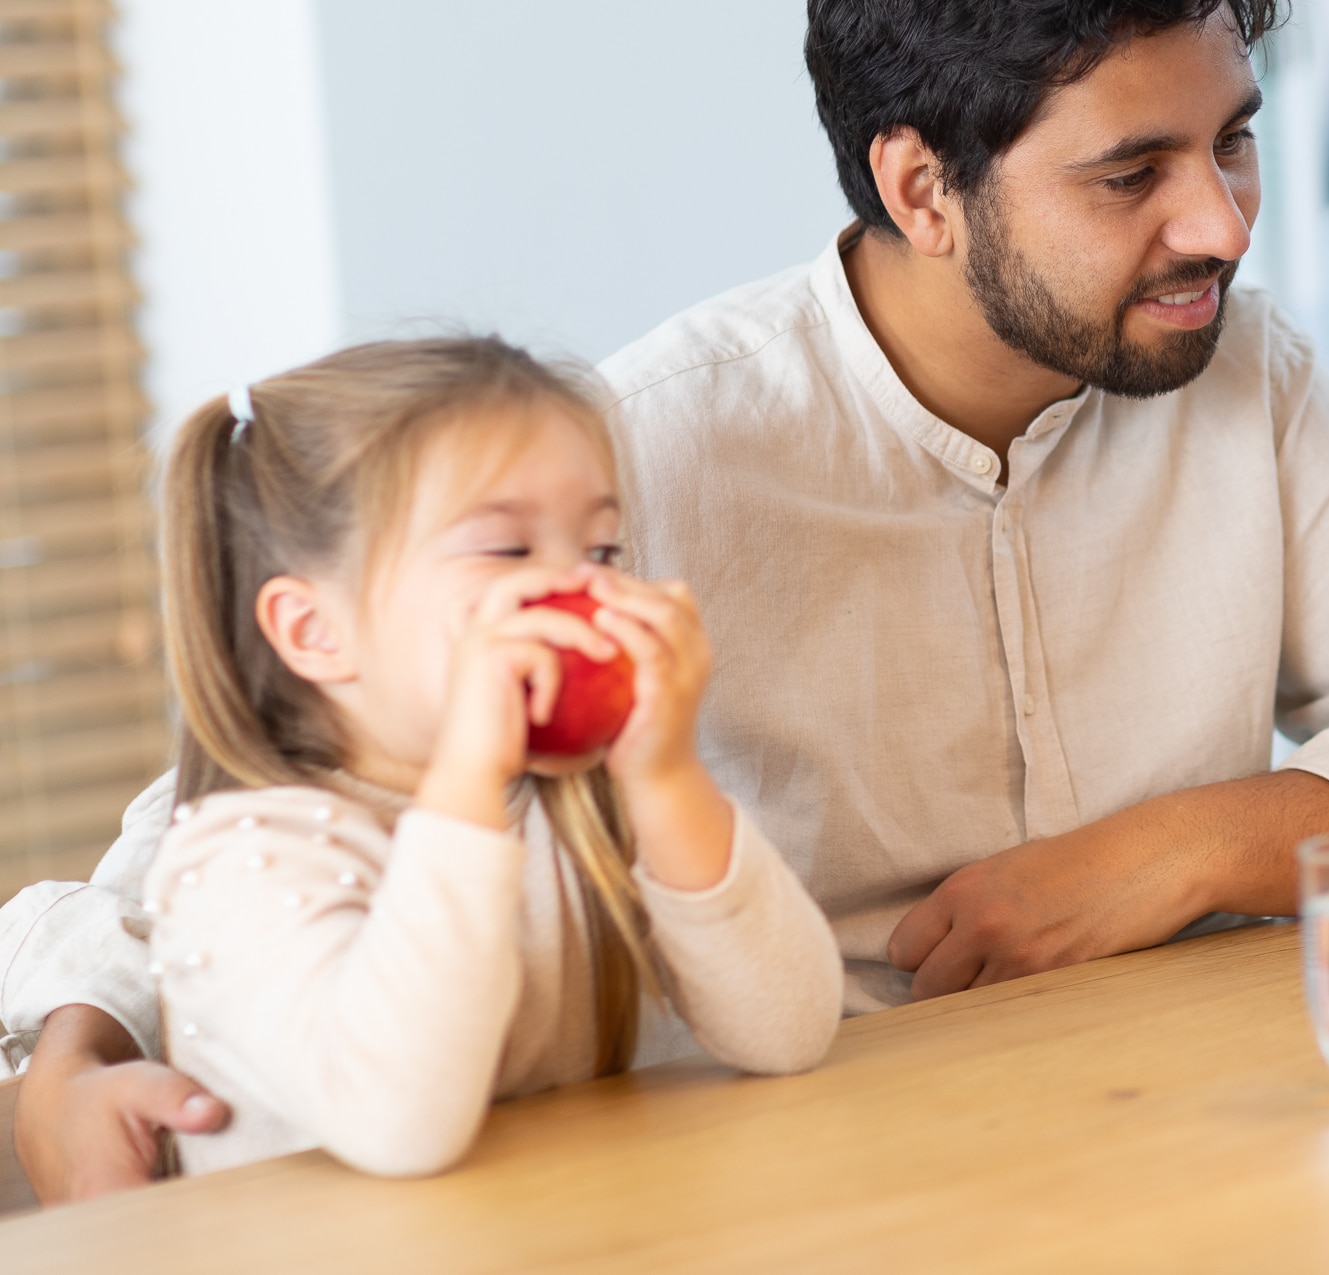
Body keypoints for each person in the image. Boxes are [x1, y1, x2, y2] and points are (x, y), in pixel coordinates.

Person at [4, 0, 1329, 1197]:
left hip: (1196, 1122)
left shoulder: (1232, 373)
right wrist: (69, 1043)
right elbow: (261, 785)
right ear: (920, 188)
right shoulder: (645, 454)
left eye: (1235, 140)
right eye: (1134, 174)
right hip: (812, 1169)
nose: (1221, 222)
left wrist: (1191, 844)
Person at [140, 338, 842, 1177]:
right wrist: (466, 776)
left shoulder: (570, 807)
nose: (582, 591)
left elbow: (790, 1029)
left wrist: (666, 776)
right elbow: (404, 1124)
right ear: (314, 631)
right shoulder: (242, 860)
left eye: (601, 551)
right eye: (507, 551)